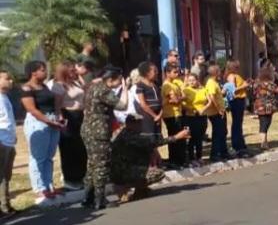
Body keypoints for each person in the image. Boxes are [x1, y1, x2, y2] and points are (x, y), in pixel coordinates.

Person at [81, 65, 129, 210]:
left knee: (92, 165)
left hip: (88, 130)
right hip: (98, 132)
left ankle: (88, 197)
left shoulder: (93, 88)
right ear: (110, 79)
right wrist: (125, 89)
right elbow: (123, 106)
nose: (120, 82)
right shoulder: (103, 90)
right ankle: (99, 200)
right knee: (101, 165)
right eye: (119, 80)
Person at [111, 115, 190, 202]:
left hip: (124, 169)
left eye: (140, 122)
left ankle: (140, 189)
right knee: (158, 173)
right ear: (128, 124)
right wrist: (177, 137)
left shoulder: (127, 133)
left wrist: (152, 151)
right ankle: (125, 188)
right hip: (121, 173)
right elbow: (155, 142)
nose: (139, 125)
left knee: (147, 156)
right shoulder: (130, 136)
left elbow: (147, 146)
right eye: (136, 123)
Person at [21, 61, 65, 205]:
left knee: (49, 156)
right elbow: (32, 110)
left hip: (52, 120)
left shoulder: (44, 86)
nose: (45, 72)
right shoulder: (27, 88)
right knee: (38, 157)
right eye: (42, 70)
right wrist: (47, 121)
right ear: (33, 72)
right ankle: (39, 187)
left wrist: (57, 118)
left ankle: (49, 185)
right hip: (38, 122)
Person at [52, 59, 87, 189]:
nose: (75, 72)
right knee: (69, 148)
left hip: (79, 115)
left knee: (81, 147)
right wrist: (60, 118)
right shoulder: (59, 85)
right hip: (67, 115)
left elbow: (85, 91)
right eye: (72, 70)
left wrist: (80, 77)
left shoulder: (75, 83)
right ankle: (70, 179)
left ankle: (82, 175)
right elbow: (57, 106)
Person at [161, 64, 187, 167]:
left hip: (178, 113)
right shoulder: (167, 85)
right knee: (174, 138)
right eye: (174, 72)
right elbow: (174, 100)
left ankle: (180, 160)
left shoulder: (175, 84)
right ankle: (174, 160)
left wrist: (180, 98)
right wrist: (182, 98)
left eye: (177, 72)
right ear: (167, 73)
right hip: (171, 115)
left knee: (180, 138)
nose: (177, 74)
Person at [181, 73, 209, 165]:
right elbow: (181, 103)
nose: (192, 82)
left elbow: (209, 101)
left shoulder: (203, 89)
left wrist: (203, 109)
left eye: (193, 80)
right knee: (192, 138)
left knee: (200, 137)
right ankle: (192, 158)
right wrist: (190, 109)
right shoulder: (186, 90)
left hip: (202, 115)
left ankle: (199, 157)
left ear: (197, 80)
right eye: (190, 80)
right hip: (191, 116)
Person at [225, 61, 251, 158]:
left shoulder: (236, 75)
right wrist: (243, 86)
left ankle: (241, 144)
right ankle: (237, 145)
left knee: (239, 123)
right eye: (236, 67)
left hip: (240, 99)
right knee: (236, 123)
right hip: (236, 100)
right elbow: (232, 90)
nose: (238, 68)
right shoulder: (231, 76)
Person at [204, 64, 229, 162]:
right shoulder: (211, 83)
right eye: (219, 71)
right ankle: (215, 154)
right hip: (215, 112)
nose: (220, 73)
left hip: (220, 111)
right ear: (215, 73)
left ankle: (223, 152)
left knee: (223, 132)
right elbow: (212, 97)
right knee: (218, 133)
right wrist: (218, 109)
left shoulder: (215, 82)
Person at [0, 71, 16, 215]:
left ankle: (6, 205)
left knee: (6, 176)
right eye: (7, 79)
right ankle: (4, 207)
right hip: (2, 142)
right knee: (2, 176)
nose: (11, 81)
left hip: (9, 141)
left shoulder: (5, 97)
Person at [252, 67, 278, 150]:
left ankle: (264, 141)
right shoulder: (270, 84)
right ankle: (263, 143)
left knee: (263, 123)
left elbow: (253, 92)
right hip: (267, 106)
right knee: (266, 123)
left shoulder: (256, 83)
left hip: (259, 105)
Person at [135, 62, 163, 135]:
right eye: (154, 71)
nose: (157, 73)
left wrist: (160, 115)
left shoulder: (156, 84)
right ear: (147, 73)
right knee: (150, 140)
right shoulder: (140, 85)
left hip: (158, 116)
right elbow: (143, 104)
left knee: (158, 139)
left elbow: (161, 101)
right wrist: (155, 116)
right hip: (148, 117)